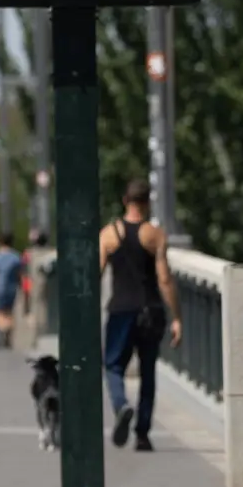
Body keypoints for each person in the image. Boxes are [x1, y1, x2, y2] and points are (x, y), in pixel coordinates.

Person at [98, 180, 183, 452]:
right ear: (147, 203)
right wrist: (177, 316)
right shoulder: (155, 235)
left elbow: (96, 273)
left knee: (113, 366)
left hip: (120, 310)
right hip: (150, 310)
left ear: (125, 200)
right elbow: (164, 279)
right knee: (148, 373)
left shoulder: (108, 234)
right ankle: (143, 435)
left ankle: (121, 404)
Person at [0, 233, 23, 348]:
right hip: (12, 288)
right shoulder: (16, 257)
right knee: (9, 312)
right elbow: (19, 275)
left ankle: (3, 328)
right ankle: (8, 329)